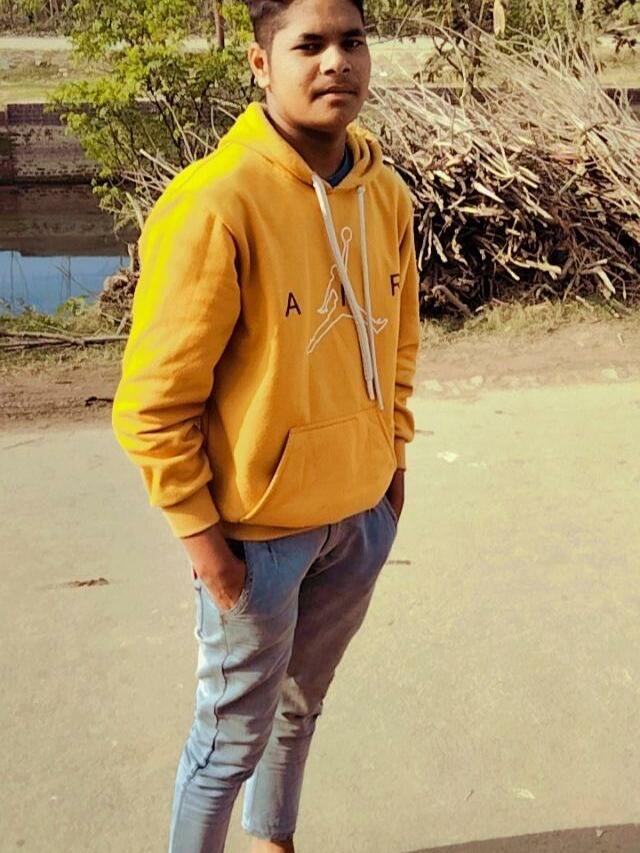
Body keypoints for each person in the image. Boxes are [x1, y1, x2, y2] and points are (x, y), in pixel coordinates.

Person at [111, 0, 420, 850]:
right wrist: (203, 539)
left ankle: (273, 839)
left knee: (301, 706)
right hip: (257, 539)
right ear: (260, 64)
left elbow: (399, 342)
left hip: (360, 516)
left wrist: (392, 462)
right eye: (308, 45)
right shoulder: (216, 202)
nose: (335, 62)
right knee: (226, 744)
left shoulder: (386, 195)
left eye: (351, 41)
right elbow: (153, 402)